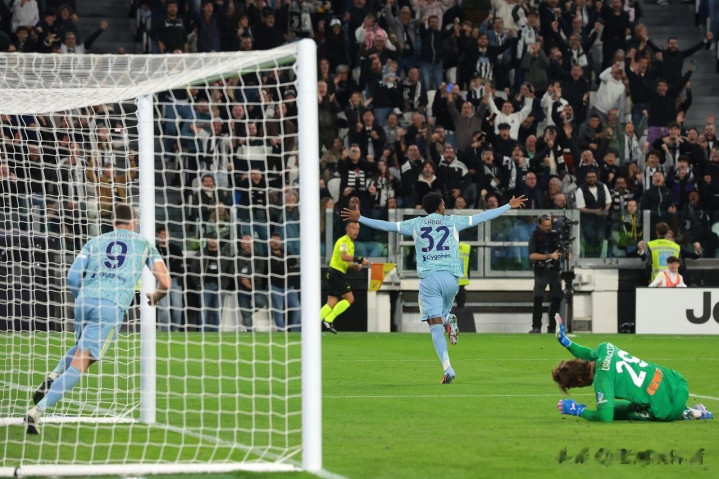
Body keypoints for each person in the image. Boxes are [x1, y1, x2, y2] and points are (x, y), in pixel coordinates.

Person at [342, 192, 528, 384]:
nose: (444, 206)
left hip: (430, 279)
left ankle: (448, 368)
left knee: (434, 325)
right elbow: (482, 217)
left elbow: (388, 226)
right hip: (452, 279)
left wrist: (361, 218)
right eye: (443, 203)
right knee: (442, 314)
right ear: (439, 206)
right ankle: (448, 318)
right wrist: (508, 205)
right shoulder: (453, 221)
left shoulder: (416, 224)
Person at [25, 204, 171, 434]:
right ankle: (37, 412)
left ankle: (54, 375)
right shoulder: (143, 244)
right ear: (134, 222)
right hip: (111, 306)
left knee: (81, 349)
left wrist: (82, 297)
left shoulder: (94, 242)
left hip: (84, 301)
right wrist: (155, 296)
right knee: (82, 362)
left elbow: (73, 277)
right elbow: (166, 283)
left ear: (112, 221)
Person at [552, 314, 712, 422]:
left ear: (580, 381)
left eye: (575, 386)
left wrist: (578, 410)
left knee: (617, 412)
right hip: (676, 381)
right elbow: (588, 353)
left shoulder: (602, 379)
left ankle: (686, 413)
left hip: (668, 409)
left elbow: (605, 419)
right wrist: (566, 342)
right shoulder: (605, 348)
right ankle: (690, 409)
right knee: (616, 407)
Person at [321, 221, 371, 334]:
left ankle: (313, 323)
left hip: (334, 273)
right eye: (353, 228)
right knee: (350, 298)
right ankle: (328, 319)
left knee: (332, 302)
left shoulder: (351, 244)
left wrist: (355, 266)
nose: (356, 231)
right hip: (336, 273)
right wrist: (360, 260)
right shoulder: (344, 241)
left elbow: (347, 262)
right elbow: (343, 256)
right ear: (347, 229)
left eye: (357, 229)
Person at [528, 214, 563, 334]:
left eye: (549, 225)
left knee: (557, 297)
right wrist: (549, 256)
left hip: (554, 270)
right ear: (540, 225)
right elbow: (532, 255)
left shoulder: (555, 235)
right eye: (545, 226)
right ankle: (536, 326)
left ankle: (552, 326)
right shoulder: (535, 235)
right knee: (538, 297)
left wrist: (564, 253)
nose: (548, 228)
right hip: (541, 270)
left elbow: (560, 250)